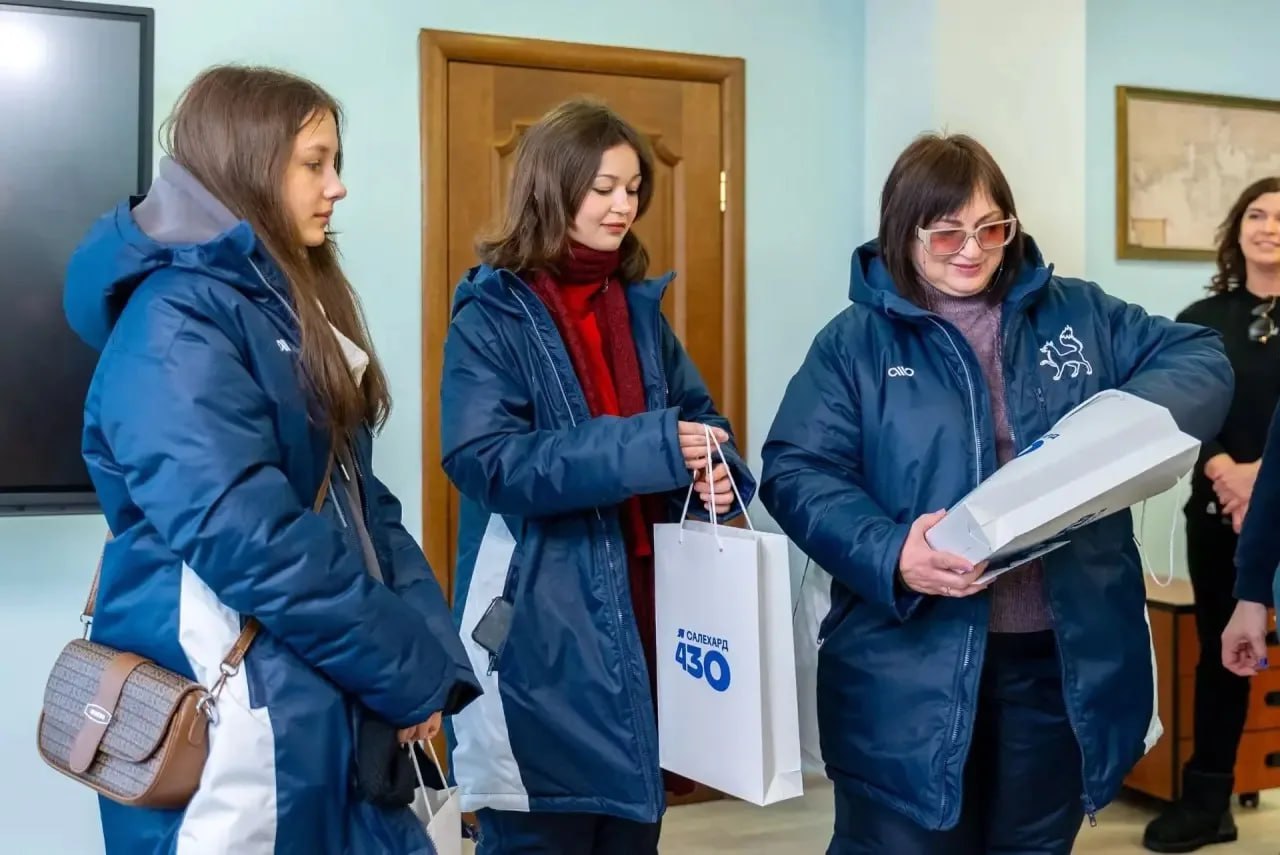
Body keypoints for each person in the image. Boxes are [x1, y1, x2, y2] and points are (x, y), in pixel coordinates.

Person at [760, 132, 1234, 854]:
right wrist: (892, 552)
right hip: (909, 662)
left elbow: (1200, 356)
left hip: (1058, 660)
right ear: (902, 231)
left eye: (992, 228)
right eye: (946, 233)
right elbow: (796, 469)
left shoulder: (1078, 314)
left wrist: (1119, 435)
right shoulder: (855, 343)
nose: (972, 250)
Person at [62, 65, 479, 854]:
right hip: (247, 726)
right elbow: (252, 540)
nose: (338, 186)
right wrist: (404, 670)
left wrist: (427, 661)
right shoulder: (173, 323)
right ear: (249, 165)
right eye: (315, 163)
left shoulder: (286, 304)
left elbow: (364, 506)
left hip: (321, 699)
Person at [439, 98, 755, 854]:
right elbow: (487, 460)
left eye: (634, 188)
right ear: (552, 188)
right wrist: (652, 447)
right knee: (542, 831)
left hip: (646, 618)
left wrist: (719, 472)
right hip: (542, 632)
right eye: (604, 188)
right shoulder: (491, 312)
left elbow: (700, 421)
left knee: (631, 832)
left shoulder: (638, 308)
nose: (623, 206)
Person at [1143, 176, 1280, 852]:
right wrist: (1226, 470)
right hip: (1216, 509)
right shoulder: (1202, 318)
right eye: (1257, 214)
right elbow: (1184, 408)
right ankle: (1207, 801)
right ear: (1237, 228)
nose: (1269, 227)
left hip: (1272, 502)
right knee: (1223, 652)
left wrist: (1263, 478)